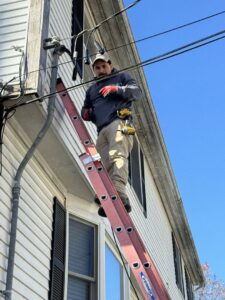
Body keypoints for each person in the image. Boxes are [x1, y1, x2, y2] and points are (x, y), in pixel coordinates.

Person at [81, 52, 142, 217]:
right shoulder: (92, 90)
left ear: (110, 65)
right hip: (101, 130)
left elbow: (136, 92)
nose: (101, 70)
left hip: (119, 122)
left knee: (117, 156)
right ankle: (107, 197)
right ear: (93, 70)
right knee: (104, 164)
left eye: (103, 66)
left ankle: (120, 194)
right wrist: (87, 113)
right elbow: (85, 110)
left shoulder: (121, 77)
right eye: (97, 68)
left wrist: (117, 89)